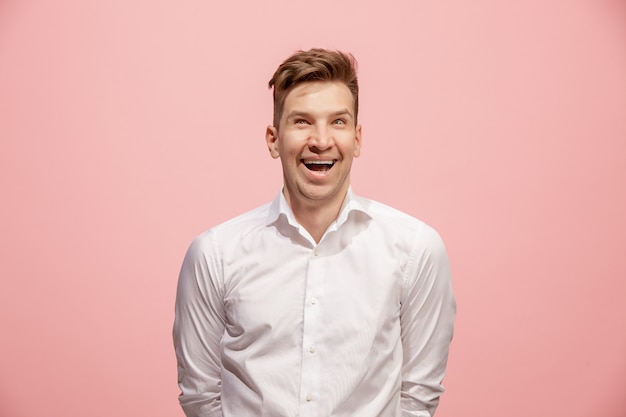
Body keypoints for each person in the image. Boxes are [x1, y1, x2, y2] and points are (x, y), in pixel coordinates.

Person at [173, 48, 456, 417]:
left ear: (357, 138)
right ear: (273, 139)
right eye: (302, 122)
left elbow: (418, 398)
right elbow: (199, 395)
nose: (321, 140)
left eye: (337, 122)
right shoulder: (214, 254)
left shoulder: (416, 250)